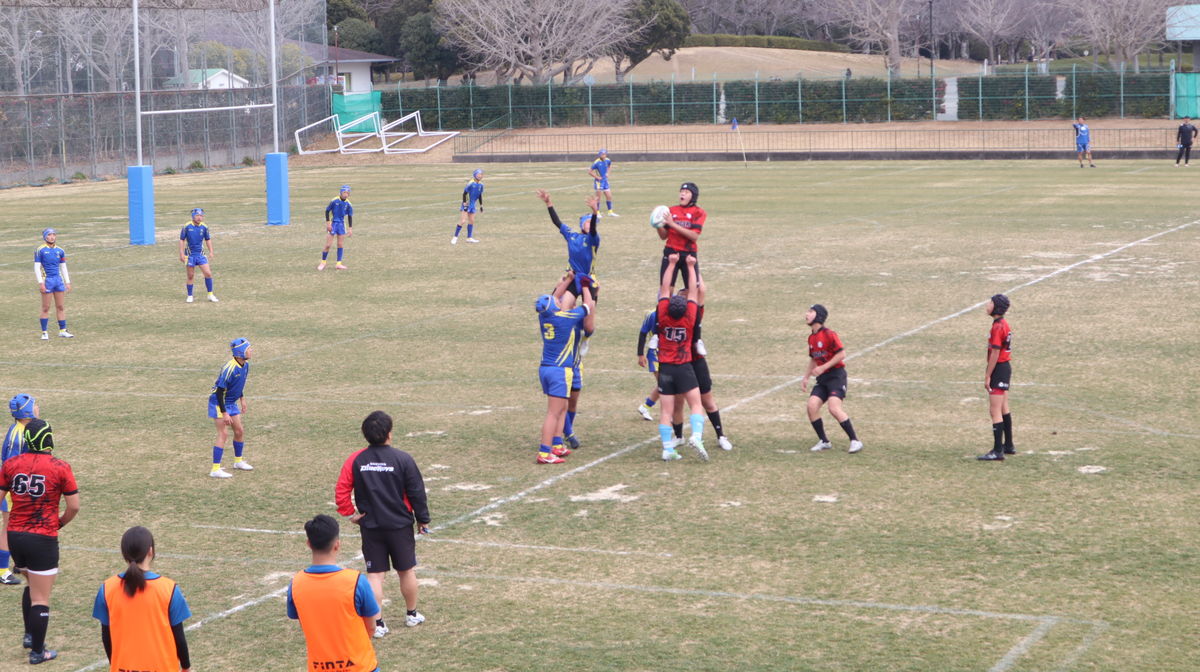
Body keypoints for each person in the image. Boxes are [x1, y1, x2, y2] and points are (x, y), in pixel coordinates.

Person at [335, 411, 430, 638]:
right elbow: (416, 492)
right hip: (400, 526)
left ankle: (377, 624)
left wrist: (350, 513)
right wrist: (423, 519)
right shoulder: (403, 459)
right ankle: (411, 614)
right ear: (389, 433)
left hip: (371, 526)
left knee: (375, 575)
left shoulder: (356, 459)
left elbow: (342, 489)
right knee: (406, 570)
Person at [0, 418, 80, 665]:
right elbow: (74, 506)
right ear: (48, 438)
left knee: (30, 585)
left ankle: (29, 635)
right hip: (43, 538)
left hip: (15, 536)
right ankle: (37, 652)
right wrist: (59, 523)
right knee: (41, 598)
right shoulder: (60, 467)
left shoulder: (11, 464)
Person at [92, 526, 193, 672]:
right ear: (150, 551)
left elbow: (106, 636)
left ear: (124, 554)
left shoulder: (107, 588)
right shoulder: (169, 589)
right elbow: (179, 637)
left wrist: (115, 664)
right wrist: (186, 667)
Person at [287, 515, 380, 672]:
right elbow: (371, 626)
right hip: (360, 667)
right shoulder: (356, 581)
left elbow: (303, 622)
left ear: (309, 544)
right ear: (337, 545)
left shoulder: (296, 584)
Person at [533, 272, 595, 464]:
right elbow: (588, 306)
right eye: (557, 301)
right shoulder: (565, 318)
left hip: (546, 368)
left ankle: (557, 444)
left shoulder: (545, 317)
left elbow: (554, 298)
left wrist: (568, 280)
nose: (559, 300)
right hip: (560, 371)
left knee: (562, 408)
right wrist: (586, 286)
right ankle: (545, 452)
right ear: (555, 307)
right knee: (553, 412)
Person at [672, 276, 733, 451]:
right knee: (677, 403)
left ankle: (721, 436)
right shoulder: (670, 317)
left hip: (696, 362)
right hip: (679, 363)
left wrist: (694, 267)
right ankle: (679, 437)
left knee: (707, 401)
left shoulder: (694, 314)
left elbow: (702, 290)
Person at [655, 254, 707, 462]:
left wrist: (671, 264)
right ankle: (696, 436)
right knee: (696, 404)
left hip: (665, 368)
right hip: (683, 366)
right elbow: (693, 291)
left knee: (666, 411)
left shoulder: (662, 315)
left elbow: (664, 288)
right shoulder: (690, 317)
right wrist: (691, 266)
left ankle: (667, 448)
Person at [800, 304, 863, 454]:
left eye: (810, 311)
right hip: (823, 379)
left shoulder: (829, 334)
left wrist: (823, 367)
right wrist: (806, 377)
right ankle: (824, 441)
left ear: (819, 316)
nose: (807, 314)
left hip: (836, 376)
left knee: (834, 408)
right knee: (811, 406)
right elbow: (813, 359)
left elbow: (841, 354)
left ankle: (855, 440)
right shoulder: (811, 338)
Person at [536, 188, 601, 301]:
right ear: (582, 224)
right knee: (555, 301)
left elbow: (593, 229)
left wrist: (595, 212)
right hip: (572, 277)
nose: (592, 224)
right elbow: (557, 222)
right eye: (588, 222)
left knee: (589, 308)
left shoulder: (593, 239)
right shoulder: (572, 236)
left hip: (588, 278)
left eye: (593, 223)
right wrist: (548, 203)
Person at [1, 394, 39, 586]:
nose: (38, 407)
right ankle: (2, 570)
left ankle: (19, 563)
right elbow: (12, 465)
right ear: (27, 412)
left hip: (17, 486)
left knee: (21, 525)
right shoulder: (20, 434)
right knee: (9, 527)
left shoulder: (21, 428)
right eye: (35, 405)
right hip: (12, 489)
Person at [208, 338, 254, 478]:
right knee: (223, 434)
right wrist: (224, 413)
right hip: (219, 403)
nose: (251, 350)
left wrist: (242, 399)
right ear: (240, 352)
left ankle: (238, 462)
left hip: (231, 402)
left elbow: (238, 385)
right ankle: (215, 469)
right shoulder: (229, 368)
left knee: (239, 431)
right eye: (248, 349)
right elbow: (220, 392)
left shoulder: (245, 365)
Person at [978, 294, 1015, 461]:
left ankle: (997, 450)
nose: (987, 305)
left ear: (996, 307)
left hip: (999, 369)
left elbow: (995, 353)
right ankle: (1009, 445)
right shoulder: (1003, 324)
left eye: (990, 303)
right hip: (1005, 368)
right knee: (1003, 407)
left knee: (994, 410)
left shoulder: (997, 327)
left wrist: (987, 375)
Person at [658, 182, 705, 289]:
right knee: (666, 289)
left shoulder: (698, 212)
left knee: (693, 291)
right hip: (671, 252)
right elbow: (663, 236)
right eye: (681, 191)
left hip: (689, 254)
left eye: (686, 192)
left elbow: (694, 236)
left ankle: (682, 298)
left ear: (693, 196)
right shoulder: (670, 210)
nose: (682, 194)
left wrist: (672, 224)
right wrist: (657, 225)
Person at [34, 228, 73, 340]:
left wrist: (67, 282)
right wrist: (41, 283)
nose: (52, 237)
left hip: (58, 281)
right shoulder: (40, 250)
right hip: (47, 281)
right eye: (49, 235)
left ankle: (63, 331)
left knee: (60, 306)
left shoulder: (60, 250)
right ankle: (44, 332)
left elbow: (63, 267)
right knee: (46, 307)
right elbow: (37, 267)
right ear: (45, 237)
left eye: (53, 235)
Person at [179, 207, 218, 303]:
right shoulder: (187, 226)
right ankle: (190, 296)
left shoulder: (204, 227)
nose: (199, 217)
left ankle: (210, 294)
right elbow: (182, 240)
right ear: (193, 216)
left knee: (208, 273)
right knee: (190, 276)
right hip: (190, 255)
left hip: (200, 254)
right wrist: (181, 253)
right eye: (197, 215)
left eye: (201, 216)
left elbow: (208, 239)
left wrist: (211, 251)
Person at [319, 185, 354, 270]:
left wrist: (350, 228)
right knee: (328, 245)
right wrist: (328, 224)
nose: (346, 194)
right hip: (333, 223)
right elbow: (327, 211)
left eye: (347, 193)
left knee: (340, 244)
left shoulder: (348, 204)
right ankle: (323, 262)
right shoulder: (334, 201)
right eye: (344, 192)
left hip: (341, 224)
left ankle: (339, 264)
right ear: (341, 192)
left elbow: (350, 216)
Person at [636, 307, 661, 422]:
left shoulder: (674, 311)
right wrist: (640, 354)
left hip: (669, 354)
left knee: (665, 384)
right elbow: (643, 333)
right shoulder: (652, 315)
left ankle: (645, 407)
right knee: (664, 384)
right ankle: (647, 407)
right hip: (655, 354)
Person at [452, 169, 484, 244]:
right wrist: (464, 203)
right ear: (475, 175)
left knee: (471, 221)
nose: (480, 176)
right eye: (479, 174)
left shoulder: (481, 185)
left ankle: (469, 238)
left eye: (481, 174)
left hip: (473, 205)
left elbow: (480, 195)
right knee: (463, 221)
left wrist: (481, 205)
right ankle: (455, 237)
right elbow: (464, 194)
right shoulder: (470, 183)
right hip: (467, 204)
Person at [587, 150, 618, 217]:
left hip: (605, 181)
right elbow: (589, 171)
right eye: (602, 154)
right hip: (599, 182)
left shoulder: (608, 160)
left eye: (604, 154)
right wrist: (597, 177)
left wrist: (608, 173)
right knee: (598, 197)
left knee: (609, 196)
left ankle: (610, 212)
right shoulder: (596, 162)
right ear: (599, 155)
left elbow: (609, 166)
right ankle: (597, 212)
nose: (603, 155)